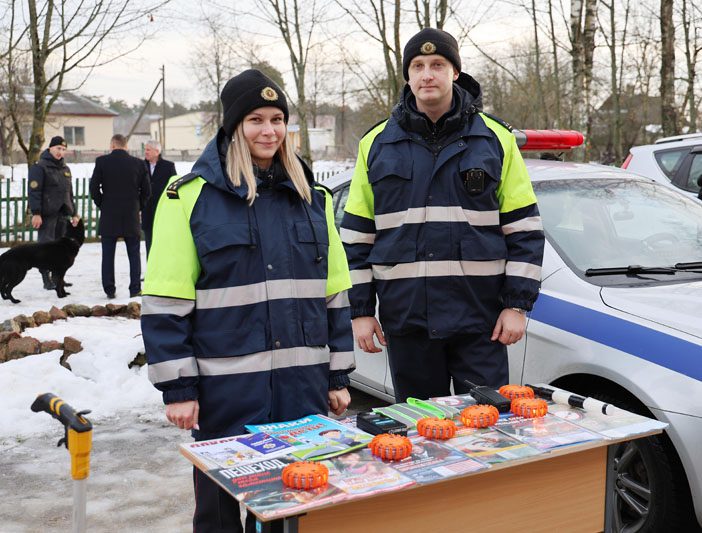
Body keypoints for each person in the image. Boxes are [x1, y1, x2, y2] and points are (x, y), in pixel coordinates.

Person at [140, 69, 355, 533]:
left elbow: (334, 296)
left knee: (295, 506)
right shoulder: (188, 198)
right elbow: (165, 301)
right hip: (225, 393)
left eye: (277, 119)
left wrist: (337, 375)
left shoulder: (312, 198)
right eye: (255, 119)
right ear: (234, 126)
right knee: (218, 514)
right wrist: (178, 389)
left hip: (301, 391)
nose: (269, 130)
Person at [341, 28, 545, 403]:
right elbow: (356, 238)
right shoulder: (375, 144)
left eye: (437, 64)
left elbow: (525, 231)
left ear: (455, 72)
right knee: (421, 435)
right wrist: (360, 311)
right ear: (407, 76)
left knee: (488, 433)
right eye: (417, 66)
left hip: (480, 323)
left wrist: (516, 306)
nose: (427, 74)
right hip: (408, 324)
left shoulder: (495, 139)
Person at [89, 134, 151, 299]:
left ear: (112, 145)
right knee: (134, 254)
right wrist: (138, 207)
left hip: (109, 215)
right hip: (131, 214)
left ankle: (109, 288)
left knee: (108, 255)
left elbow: (94, 188)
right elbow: (147, 191)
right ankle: (135, 288)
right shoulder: (138, 164)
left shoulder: (102, 162)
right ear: (126, 146)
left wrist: (103, 204)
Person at [28, 136, 80, 289]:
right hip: (47, 214)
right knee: (46, 247)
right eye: (58, 148)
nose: (60, 152)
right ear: (50, 148)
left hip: (63, 214)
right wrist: (36, 213)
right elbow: (34, 191)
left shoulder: (65, 169)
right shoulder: (40, 167)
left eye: (63, 149)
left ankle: (58, 278)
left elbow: (69, 193)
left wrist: (74, 212)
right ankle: (46, 279)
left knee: (60, 248)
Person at [141, 139, 176, 257]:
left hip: (162, 211)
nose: (145, 152)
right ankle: (150, 273)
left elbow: (173, 187)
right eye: (145, 149)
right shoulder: (140, 165)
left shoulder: (169, 166)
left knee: (163, 244)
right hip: (146, 211)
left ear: (157, 151)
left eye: (148, 150)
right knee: (149, 244)